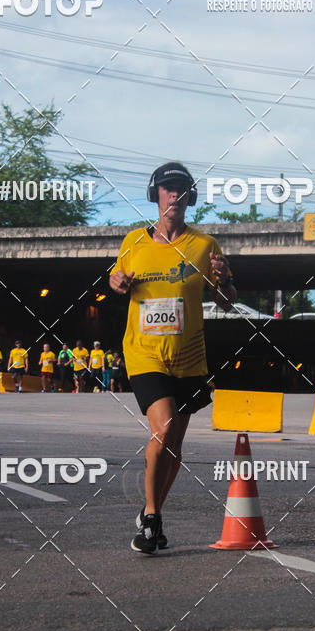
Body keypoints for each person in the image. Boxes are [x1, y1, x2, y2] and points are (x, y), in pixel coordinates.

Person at [110, 162, 236, 554]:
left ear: (189, 197)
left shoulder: (205, 245)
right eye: (167, 189)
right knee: (162, 429)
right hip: (144, 354)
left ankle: (154, 512)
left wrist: (226, 280)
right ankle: (150, 518)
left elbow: (228, 303)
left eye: (181, 189)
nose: (174, 196)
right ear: (155, 195)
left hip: (189, 359)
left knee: (176, 444)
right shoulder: (134, 242)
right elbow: (116, 278)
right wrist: (116, 281)